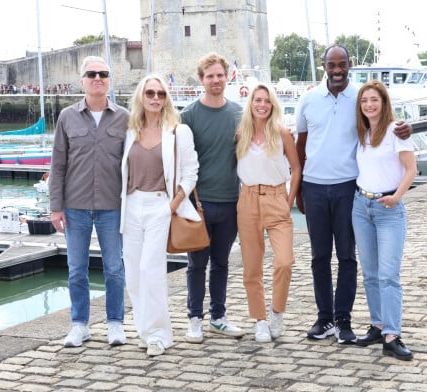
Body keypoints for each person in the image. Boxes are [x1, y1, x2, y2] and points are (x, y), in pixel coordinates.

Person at [295, 44, 412, 344]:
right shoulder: (307, 100)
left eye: (342, 64)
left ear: (349, 64)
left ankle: (343, 320)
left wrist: (405, 128)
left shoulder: (360, 97)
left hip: (349, 187)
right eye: (331, 65)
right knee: (320, 256)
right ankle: (325, 319)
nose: (337, 70)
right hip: (314, 187)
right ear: (323, 66)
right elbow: (300, 146)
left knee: (347, 256)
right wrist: (298, 191)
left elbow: (383, 121)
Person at [49, 56, 128, 347]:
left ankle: (115, 323)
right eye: (92, 74)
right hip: (75, 205)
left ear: (109, 80)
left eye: (103, 73)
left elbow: (132, 164)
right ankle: (79, 324)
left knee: (115, 268)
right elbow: (57, 165)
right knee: (76, 269)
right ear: (82, 80)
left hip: (112, 206)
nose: (98, 78)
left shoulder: (125, 117)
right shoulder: (67, 117)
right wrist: (55, 207)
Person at [120, 74, 199, 356]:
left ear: (166, 98)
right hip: (130, 206)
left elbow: (191, 172)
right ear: (141, 96)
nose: (155, 98)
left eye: (161, 94)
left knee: (150, 269)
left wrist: (173, 204)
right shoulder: (130, 130)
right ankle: (145, 329)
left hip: (159, 205)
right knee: (133, 273)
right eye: (150, 93)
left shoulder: (178, 131)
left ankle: (158, 334)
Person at [180, 52, 245, 343]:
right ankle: (195, 318)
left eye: (220, 75)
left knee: (221, 263)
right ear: (201, 79)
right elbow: (179, 162)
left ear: (228, 76)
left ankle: (218, 317)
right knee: (196, 263)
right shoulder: (188, 116)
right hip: (200, 203)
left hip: (231, 201)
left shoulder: (239, 114)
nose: (216, 80)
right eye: (210, 76)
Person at [352, 80, 416, 360]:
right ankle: (377, 325)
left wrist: (396, 197)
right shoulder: (362, 132)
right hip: (361, 206)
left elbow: (411, 170)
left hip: (389, 208)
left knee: (389, 275)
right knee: (370, 274)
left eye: (374, 100)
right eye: (364, 100)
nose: (369, 104)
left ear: (384, 102)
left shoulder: (396, 131)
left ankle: (392, 334)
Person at [235, 83, 301, 342]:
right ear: (250, 103)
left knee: (284, 261)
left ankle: (277, 312)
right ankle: (260, 320)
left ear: (273, 105)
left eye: (266, 101)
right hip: (248, 199)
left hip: (276, 199)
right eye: (257, 100)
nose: (261, 105)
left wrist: (289, 200)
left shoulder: (282, 132)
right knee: (252, 266)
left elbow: (296, 168)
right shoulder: (241, 134)